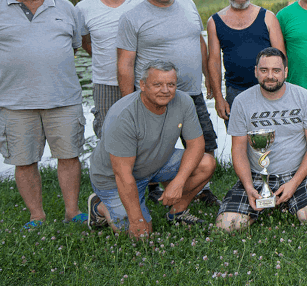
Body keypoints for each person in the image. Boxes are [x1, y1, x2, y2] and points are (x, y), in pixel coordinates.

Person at [0, 0, 86, 228]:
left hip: (63, 98)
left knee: (69, 155)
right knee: (24, 160)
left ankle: (73, 211)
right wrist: (5, 80)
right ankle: (37, 215)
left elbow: (73, 47)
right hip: (15, 101)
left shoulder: (67, 7)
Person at [116, 0, 219, 206]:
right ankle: (150, 187)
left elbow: (199, 41)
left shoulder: (188, 4)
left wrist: (208, 76)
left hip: (191, 92)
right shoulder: (132, 18)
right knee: (151, 145)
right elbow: (124, 63)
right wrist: (127, 101)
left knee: (205, 143)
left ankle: (199, 189)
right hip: (155, 96)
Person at [86, 61, 216, 235]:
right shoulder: (123, 115)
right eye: (157, 84)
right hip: (114, 180)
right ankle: (100, 207)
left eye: (171, 84)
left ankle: (177, 211)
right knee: (141, 233)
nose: (165, 90)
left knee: (206, 163)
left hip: (155, 164)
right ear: (142, 85)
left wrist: (178, 182)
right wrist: (136, 220)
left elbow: (197, 144)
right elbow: (123, 175)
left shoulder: (183, 101)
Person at [215, 48, 307, 231]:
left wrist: (294, 183)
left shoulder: (304, 97)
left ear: (285, 72)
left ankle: (287, 199)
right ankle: (270, 200)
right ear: (255, 71)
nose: (270, 76)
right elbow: (238, 150)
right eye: (264, 70)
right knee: (226, 226)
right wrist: (248, 186)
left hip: (298, 174)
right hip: (256, 176)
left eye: (276, 70)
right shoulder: (242, 101)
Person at [76, 0, 146, 139]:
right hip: (106, 82)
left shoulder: (144, 3)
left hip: (144, 80)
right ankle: (109, 168)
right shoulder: (83, 8)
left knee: (146, 131)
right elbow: (85, 42)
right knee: (109, 132)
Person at [205, 0, 285, 123]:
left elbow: (281, 57)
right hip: (235, 92)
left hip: (269, 90)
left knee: (273, 141)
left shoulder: (268, 17)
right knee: (239, 142)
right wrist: (219, 98)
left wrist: (280, 92)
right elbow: (214, 61)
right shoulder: (214, 21)